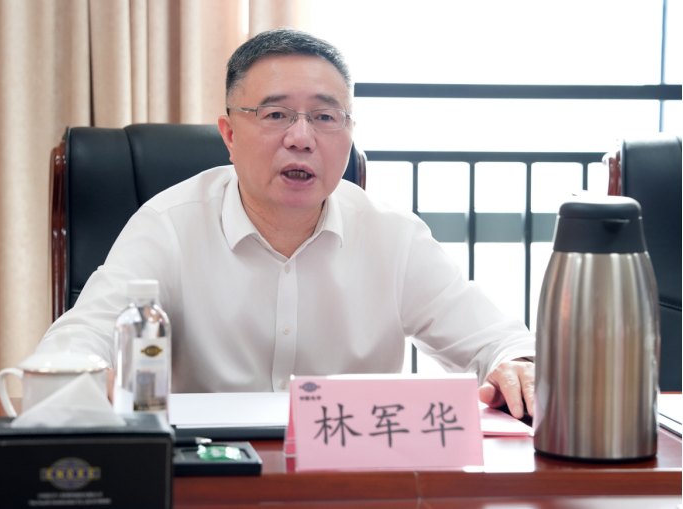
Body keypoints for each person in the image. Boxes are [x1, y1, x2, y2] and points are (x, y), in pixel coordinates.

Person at [37, 28, 535, 419]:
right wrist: (85, 374)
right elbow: (83, 336)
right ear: (229, 135)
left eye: (325, 117)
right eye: (275, 115)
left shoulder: (393, 235)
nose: (301, 138)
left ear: (350, 135)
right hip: (210, 478)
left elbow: (497, 341)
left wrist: (516, 365)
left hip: (352, 480)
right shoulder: (167, 225)